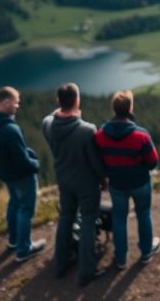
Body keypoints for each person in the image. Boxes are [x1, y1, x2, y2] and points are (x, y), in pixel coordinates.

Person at [41, 82, 106, 286]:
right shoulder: (87, 130)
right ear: (77, 101)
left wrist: (62, 109)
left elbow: (51, 116)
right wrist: (103, 179)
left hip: (64, 181)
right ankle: (86, 272)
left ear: (59, 102)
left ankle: (60, 264)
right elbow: (96, 163)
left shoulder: (48, 124)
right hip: (86, 184)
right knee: (88, 221)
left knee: (66, 218)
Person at [94, 90, 160, 269]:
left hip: (116, 184)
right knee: (143, 214)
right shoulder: (141, 135)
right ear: (130, 108)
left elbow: (99, 161)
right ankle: (146, 252)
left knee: (118, 218)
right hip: (140, 182)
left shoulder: (100, 135)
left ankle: (121, 258)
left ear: (113, 109)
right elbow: (153, 162)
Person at [0, 86, 46, 263]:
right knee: (26, 209)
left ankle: (14, 240)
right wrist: (36, 164)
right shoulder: (9, 130)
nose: (18, 106)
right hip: (21, 175)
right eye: (16, 103)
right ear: (6, 102)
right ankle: (24, 249)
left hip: (4, 172)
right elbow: (22, 162)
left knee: (14, 202)